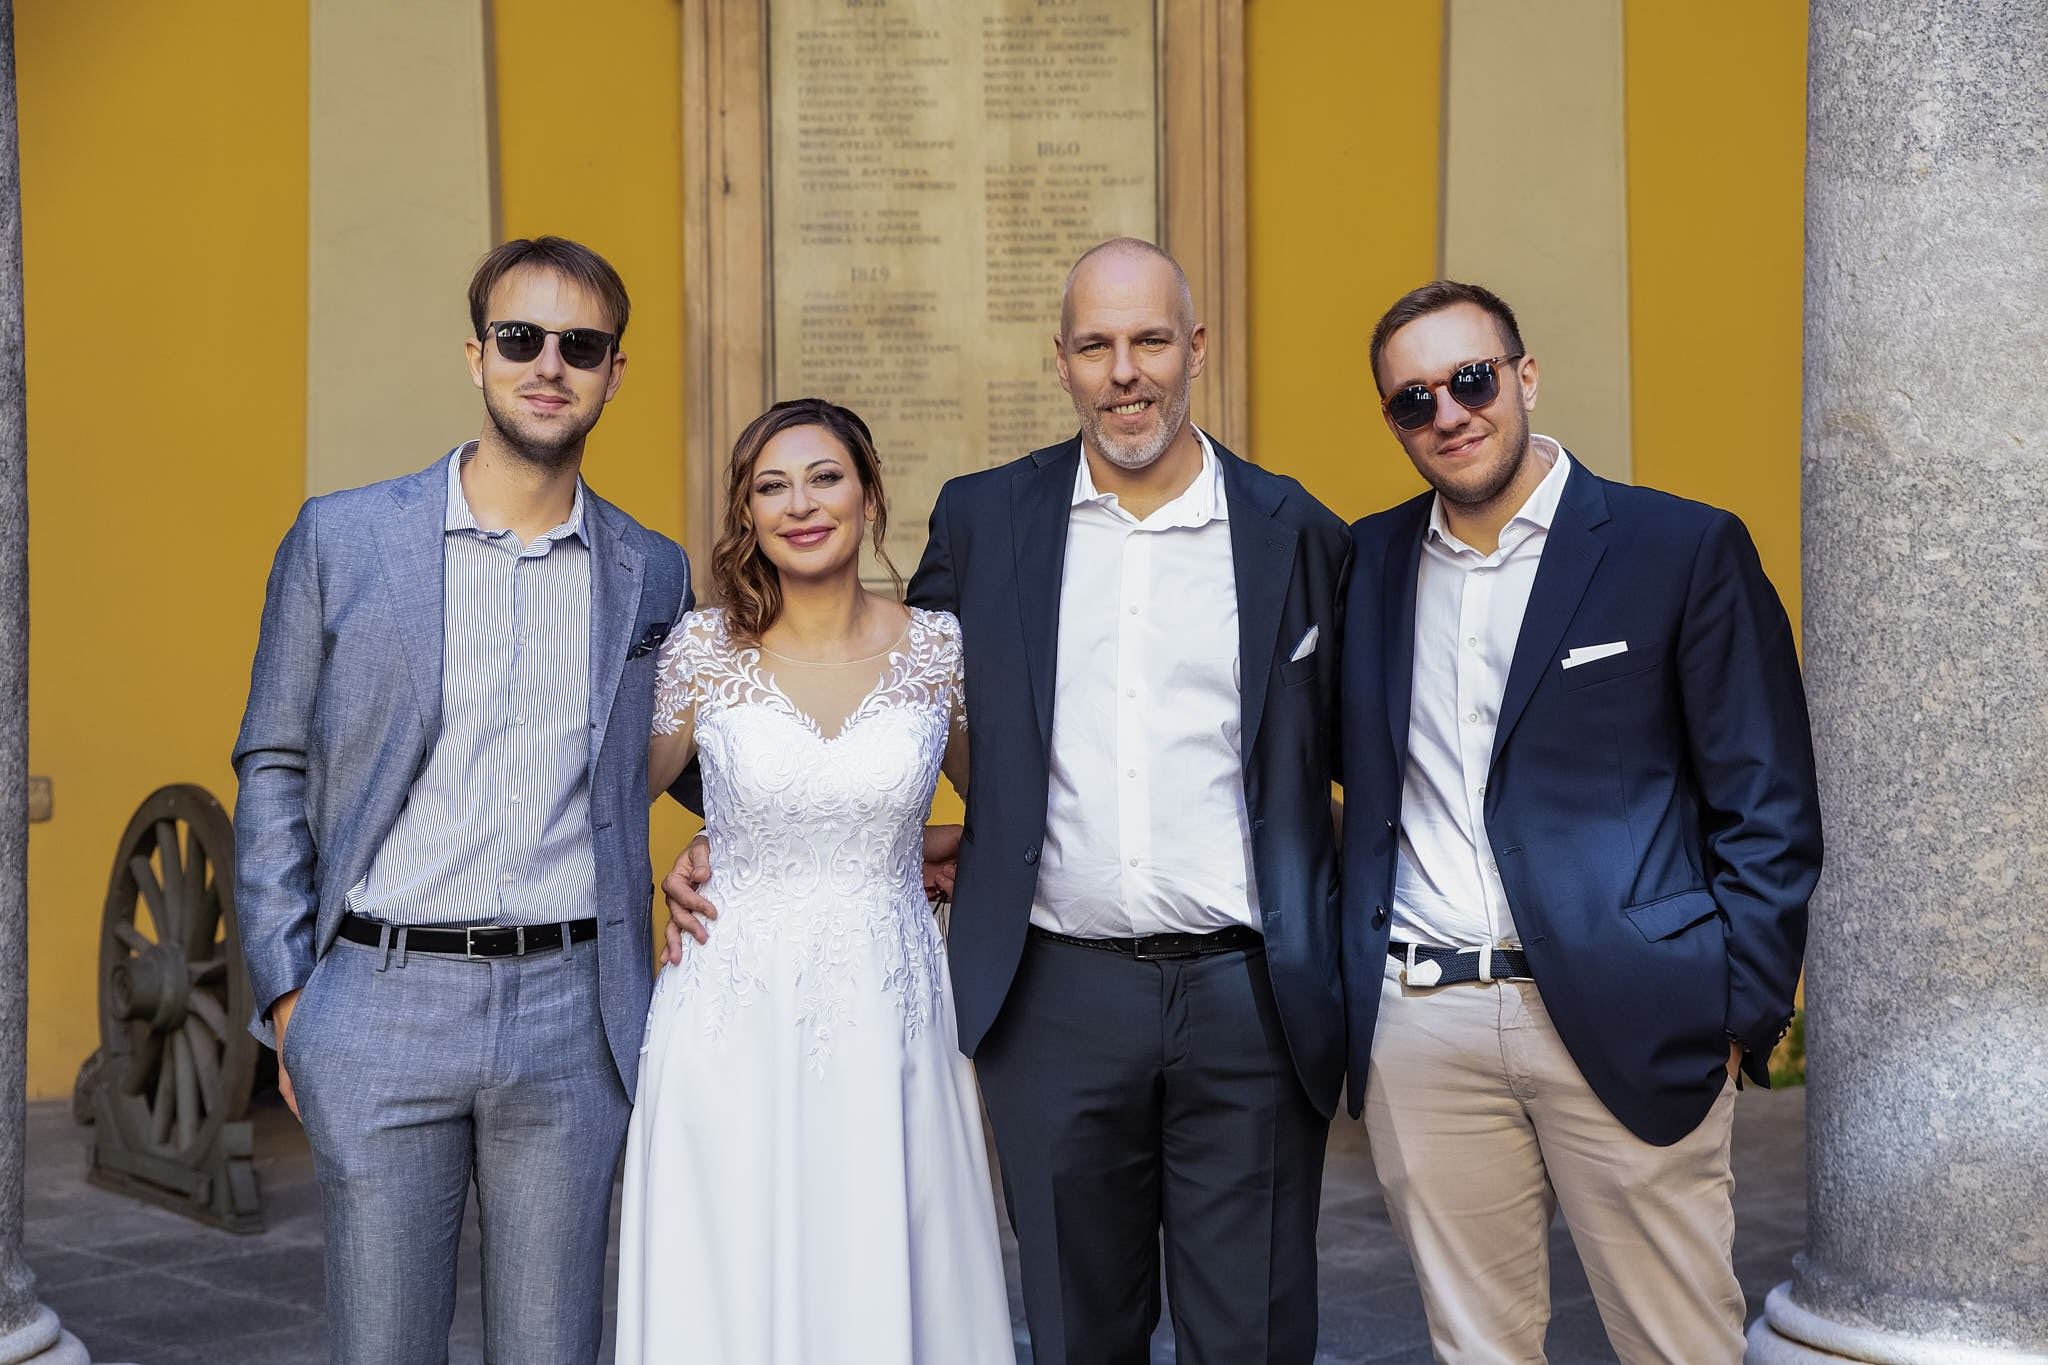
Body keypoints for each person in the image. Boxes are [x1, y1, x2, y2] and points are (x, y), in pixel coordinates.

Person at [672, 237, 1347, 1364]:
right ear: (1061, 361)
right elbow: (891, 704)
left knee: (1255, 1338)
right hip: (1055, 998)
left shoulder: (1298, 530)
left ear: (1195, 349)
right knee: (1080, 1334)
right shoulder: (985, 521)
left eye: (1148, 341)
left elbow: (1348, 754)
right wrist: (734, 837)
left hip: (1249, 997)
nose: (1124, 372)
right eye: (1095, 346)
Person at [1337, 280, 1823, 1362]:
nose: (1448, 414)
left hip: (1635, 1009)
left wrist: (1735, 1010)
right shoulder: (1364, 566)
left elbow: (1767, 799)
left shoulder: (1678, 547)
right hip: (1423, 1023)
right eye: (1414, 399)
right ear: (1393, 421)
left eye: (1470, 380)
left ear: (1524, 377)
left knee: (1676, 1344)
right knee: (1478, 1348)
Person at [232, 237, 690, 1364]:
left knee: (551, 1346)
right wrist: (290, 994)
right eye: (520, 338)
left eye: (580, 345)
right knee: (385, 1345)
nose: (549, 365)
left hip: (572, 1012)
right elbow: (273, 760)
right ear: (477, 356)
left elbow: (696, 754)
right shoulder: (343, 539)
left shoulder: (652, 570)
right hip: (381, 999)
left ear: (614, 373)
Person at [617, 397, 1012, 1363]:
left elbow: (1014, 816)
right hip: (731, 1013)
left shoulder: (939, 648)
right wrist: (668, 870)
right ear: (747, 515)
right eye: (772, 486)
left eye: (825, 477)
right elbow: (601, 804)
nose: (801, 504)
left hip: (893, 1010)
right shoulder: (701, 652)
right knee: (733, 1267)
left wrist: (935, 842)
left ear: (870, 495)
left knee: (886, 1254)